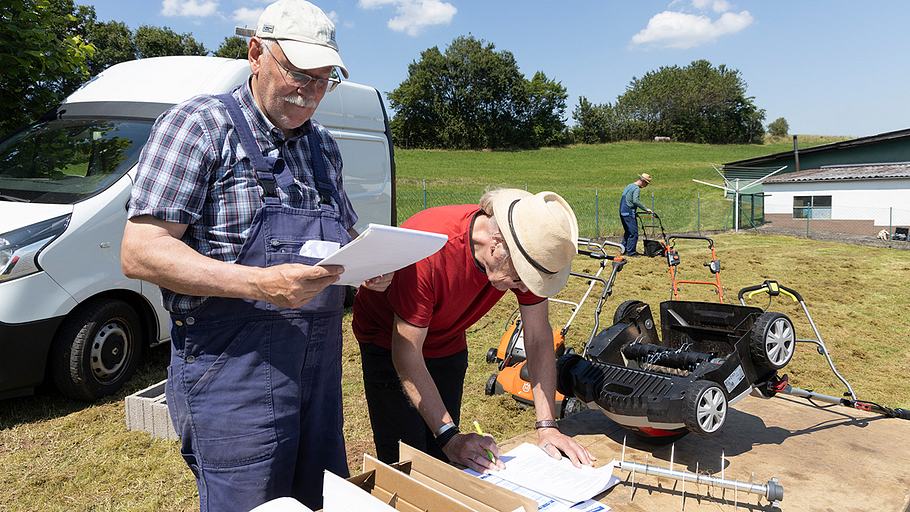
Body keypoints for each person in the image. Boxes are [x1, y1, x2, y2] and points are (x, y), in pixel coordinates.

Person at [120, 1, 391, 510]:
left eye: (323, 79)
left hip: (317, 374)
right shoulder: (199, 127)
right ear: (255, 54)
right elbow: (141, 252)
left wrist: (371, 265)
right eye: (297, 74)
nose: (309, 92)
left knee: (318, 500)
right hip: (231, 375)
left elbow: (345, 230)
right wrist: (259, 284)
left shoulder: (323, 147)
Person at [352, 189, 596, 473]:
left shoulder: (526, 250)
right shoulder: (428, 250)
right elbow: (406, 352)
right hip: (388, 341)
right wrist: (450, 437)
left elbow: (538, 337)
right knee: (405, 458)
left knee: (442, 454)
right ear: (496, 245)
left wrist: (547, 427)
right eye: (519, 279)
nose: (524, 288)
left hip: (447, 338)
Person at [619, 173, 653, 256]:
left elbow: (627, 199)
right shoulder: (636, 188)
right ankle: (631, 252)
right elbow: (635, 201)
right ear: (643, 182)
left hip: (622, 211)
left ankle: (623, 249)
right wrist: (646, 209)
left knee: (628, 232)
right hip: (629, 212)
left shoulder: (629, 186)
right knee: (633, 233)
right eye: (646, 184)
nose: (646, 186)